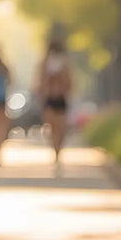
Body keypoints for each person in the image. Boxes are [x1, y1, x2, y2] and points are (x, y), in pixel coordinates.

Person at [37, 38, 73, 170]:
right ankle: (56, 150)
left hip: (59, 98)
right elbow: (40, 82)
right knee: (53, 127)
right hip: (50, 99)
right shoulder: (45, 64)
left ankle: (57, 150)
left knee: (59, 127)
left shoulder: (63, 64)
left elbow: (69, 82)